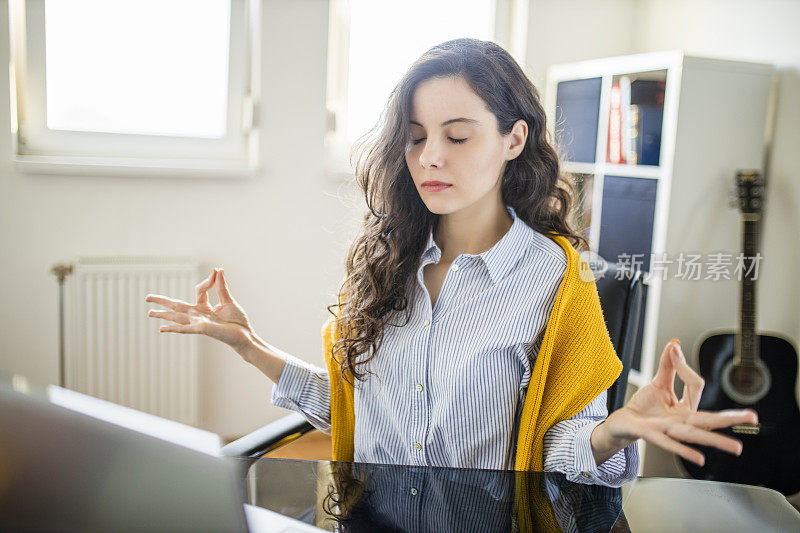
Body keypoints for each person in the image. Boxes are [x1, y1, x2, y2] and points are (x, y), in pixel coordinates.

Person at [145, 38, 757, 485]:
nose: (429, 157)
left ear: (513, 140)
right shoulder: (389, 259)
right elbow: (360, 413)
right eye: (415, 137)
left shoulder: (556, 280)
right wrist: (249, 344)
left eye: (457, 136)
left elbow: (554, 453)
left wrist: (616, 428)